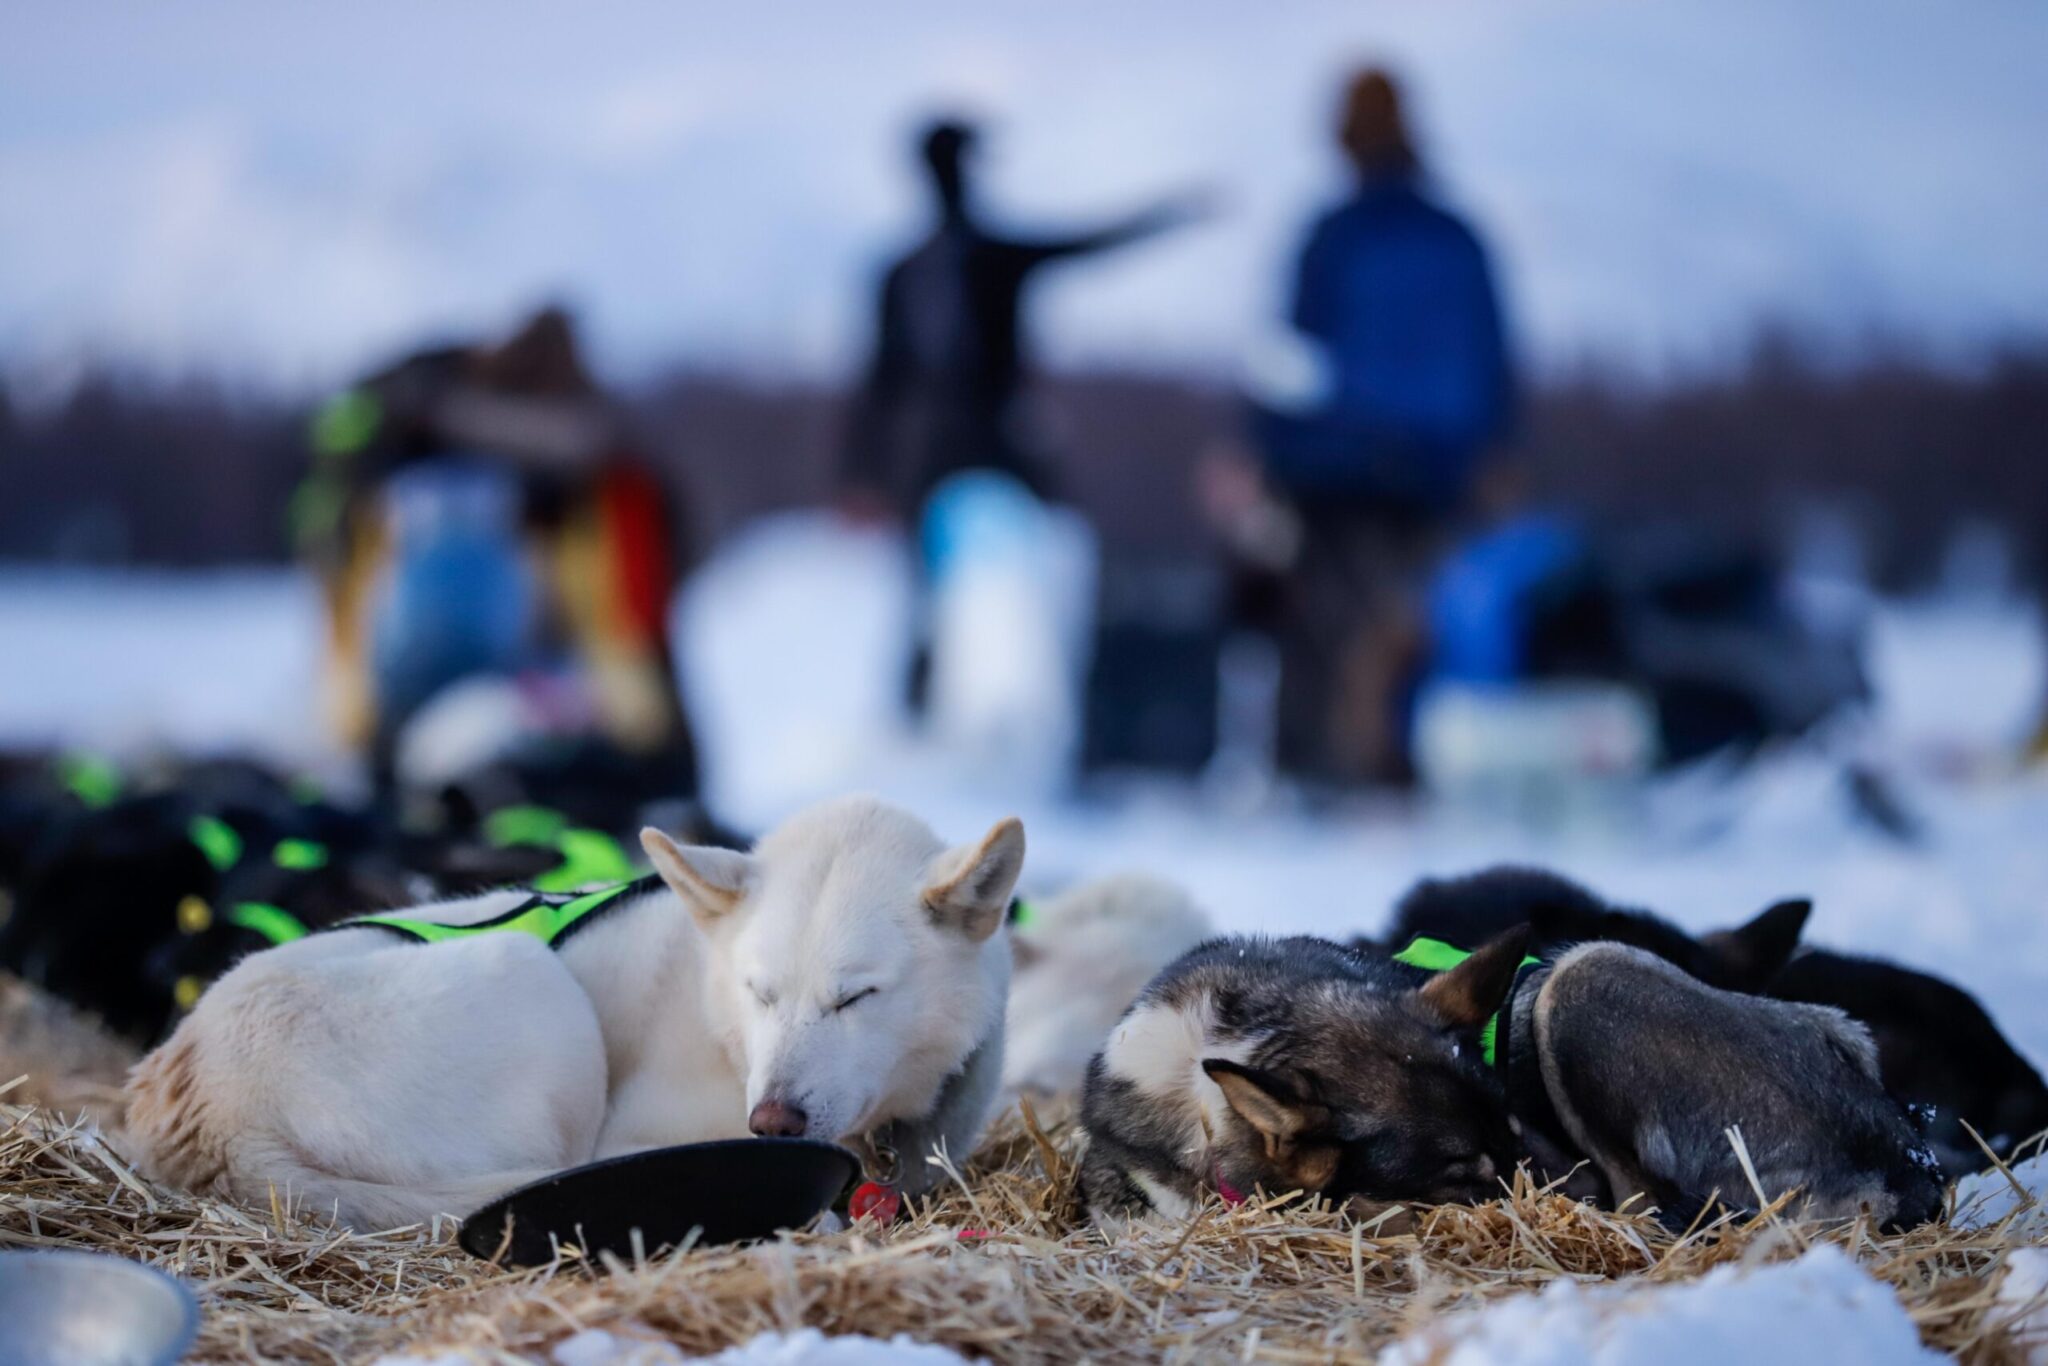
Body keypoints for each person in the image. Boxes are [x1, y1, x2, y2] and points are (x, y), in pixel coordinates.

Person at [1216, 67, 1516, 785]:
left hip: (1333, 469)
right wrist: (1498, 454)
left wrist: (1259, 452)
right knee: (1413, 621)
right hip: (1438, 472)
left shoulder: (1333, 238)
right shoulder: (1458, 239)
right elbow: (1493, 356)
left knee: (1325, 623)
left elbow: (1289, 361)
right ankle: (1398, 764)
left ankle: (1327, 771)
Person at [841, 117, 1203, 524]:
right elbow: (884, 377)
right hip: (970, 438)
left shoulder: (932, 267)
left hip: (972, 435)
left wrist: (862, 472)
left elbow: (881, 382)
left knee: (1019, 533)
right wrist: (860, 475)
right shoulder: (940, 268)